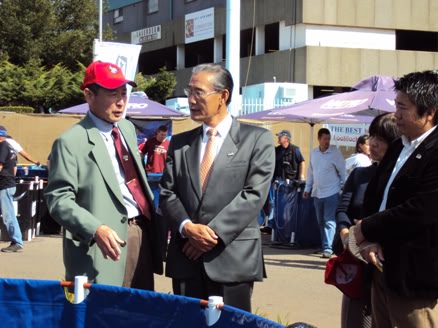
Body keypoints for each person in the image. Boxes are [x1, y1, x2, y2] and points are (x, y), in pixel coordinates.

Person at [159, 63, 274, 312]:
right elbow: (167, 193)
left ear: (223, 96)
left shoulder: (256, 139)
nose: (190, 99)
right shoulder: (179, 143)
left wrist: (210, 235)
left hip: (232, 259)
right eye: (189, 91)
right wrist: (187, 228)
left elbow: (254, 194)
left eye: (198, 92)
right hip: (186, 259)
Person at [44, 61, 163, 289]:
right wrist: (94, 228)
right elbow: (58, 199)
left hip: (140, 230)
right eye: (112, 94)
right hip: (100, 242)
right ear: (89, 95)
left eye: (124, 94)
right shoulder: (70, 141)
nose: (120, 102)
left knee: (140, 310)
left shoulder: (126, 129)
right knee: (105, 314)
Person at [353, 70, 438, 328]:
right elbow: (374, 195)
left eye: (403, 108)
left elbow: (421, 209)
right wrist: (367, 240)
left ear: (429, 112)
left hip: (414, 278)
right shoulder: (399, 146)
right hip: (379, 266)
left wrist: (365, 229)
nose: (396, 114)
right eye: (395, 106)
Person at [334, 113, 399, 328]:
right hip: (355, 260)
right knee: (353, 320)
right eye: (371, 136)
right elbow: (342, 209)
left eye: (380, 138)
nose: (373, 143)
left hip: (384, 264)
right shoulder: (360, 174)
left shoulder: (400, 178)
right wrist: (346, 236)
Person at [303, 128, 346, 258]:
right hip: (317, 193)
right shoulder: (314, 153)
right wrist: (307, 188)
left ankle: (328, 248)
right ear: (319, 139)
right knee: (321, 221)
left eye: (328, 139)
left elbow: (343, 171)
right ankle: (325, 246)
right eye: (325, 139)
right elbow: (311, 172)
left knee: (329, 221)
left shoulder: (335, 153)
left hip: (332, 192)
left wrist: (345, 188)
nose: (327, 141)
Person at [0, 129, 23, 253]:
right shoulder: (9, 147)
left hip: (5, 185)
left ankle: (17, 241)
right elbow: (14, 168)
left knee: (8, 215)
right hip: (8, 184)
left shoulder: (3, 147)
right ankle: (17, 241)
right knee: (8, 214)